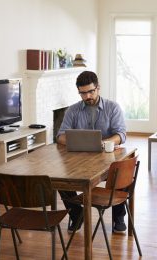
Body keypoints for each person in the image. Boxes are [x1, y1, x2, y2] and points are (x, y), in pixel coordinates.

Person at [56, 71, 127, 233]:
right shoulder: (72, 111)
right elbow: (60, 136)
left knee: (122, 173)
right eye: (83, 93)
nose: (87, 96)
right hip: (79, 160)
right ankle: (76, 213)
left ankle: (118, 217)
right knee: (60, 179)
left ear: (98, 88)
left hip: (108, 158)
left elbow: (121, 134)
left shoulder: (112, 107)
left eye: (91, 91)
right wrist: (77, 141)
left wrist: (104, 143)